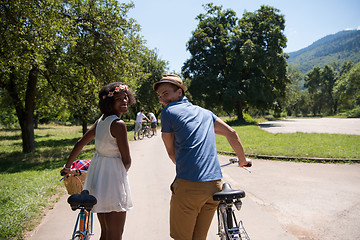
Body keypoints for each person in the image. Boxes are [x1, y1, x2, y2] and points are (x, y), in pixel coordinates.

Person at [153, 74, 251, 240]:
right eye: (160, 96)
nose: (163, 99)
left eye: (166, 93)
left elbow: (170, 151)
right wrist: (243, 161)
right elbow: (231, 133)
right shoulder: (205, 113)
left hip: (189, 185)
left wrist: (187, 165)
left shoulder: (168, 112)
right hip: (214, 185)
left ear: (179, 92)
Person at [61, 82, 136, 240]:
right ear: (109, 102)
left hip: (98, 178)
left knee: (106, 232)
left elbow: (80, 143)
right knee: (115, 235)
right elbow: (127, 160)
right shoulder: (118, 124)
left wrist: (68, 167)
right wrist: (121, 175)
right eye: (118, 99)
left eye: (125, 97)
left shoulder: (101, 121)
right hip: (113, 179)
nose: (124, 101)